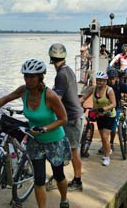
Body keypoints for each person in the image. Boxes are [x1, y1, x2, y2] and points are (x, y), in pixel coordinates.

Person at [0, 59, 71, 208]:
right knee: (39, 179)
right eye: (26, 76)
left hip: (54, 140)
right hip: (35, 141)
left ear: (40, 77)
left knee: (59, 175)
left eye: (32, 76)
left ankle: (64, 199)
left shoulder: (50, 95)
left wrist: (45, 129)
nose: (28, 80)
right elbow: (7, 98)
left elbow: (63, 119)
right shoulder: (24, 90)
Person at [48, 43, 84, 192]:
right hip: (73, 116)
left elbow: (57, 99)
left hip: (72, 118)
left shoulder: (61, 75)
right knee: (64, 149)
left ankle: (77, 181)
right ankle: (59, 177)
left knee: (74, 151)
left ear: (51, 58)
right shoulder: (68, 70)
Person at [80, 71, 116, 166]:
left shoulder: (109, 90)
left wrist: (104, 109)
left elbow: (114, 104)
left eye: (101, 81)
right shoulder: (93, 88)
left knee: (105, 136)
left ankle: (107, 156)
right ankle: (108, 148)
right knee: (102, 137)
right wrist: (78, 103)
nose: (99, 82)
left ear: (105, 81)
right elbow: (84, 97)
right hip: (98, 115)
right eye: (98, 80)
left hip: (109, 115)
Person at [103, 68, 127, 152]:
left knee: (113, 125)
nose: (110, 80)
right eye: (109, 78)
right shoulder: (104, 85)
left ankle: (111, 142)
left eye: (112, 78)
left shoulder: (120, 85)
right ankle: (105, 143)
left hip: (117, 107)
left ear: (116, 78)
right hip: (106, 108)